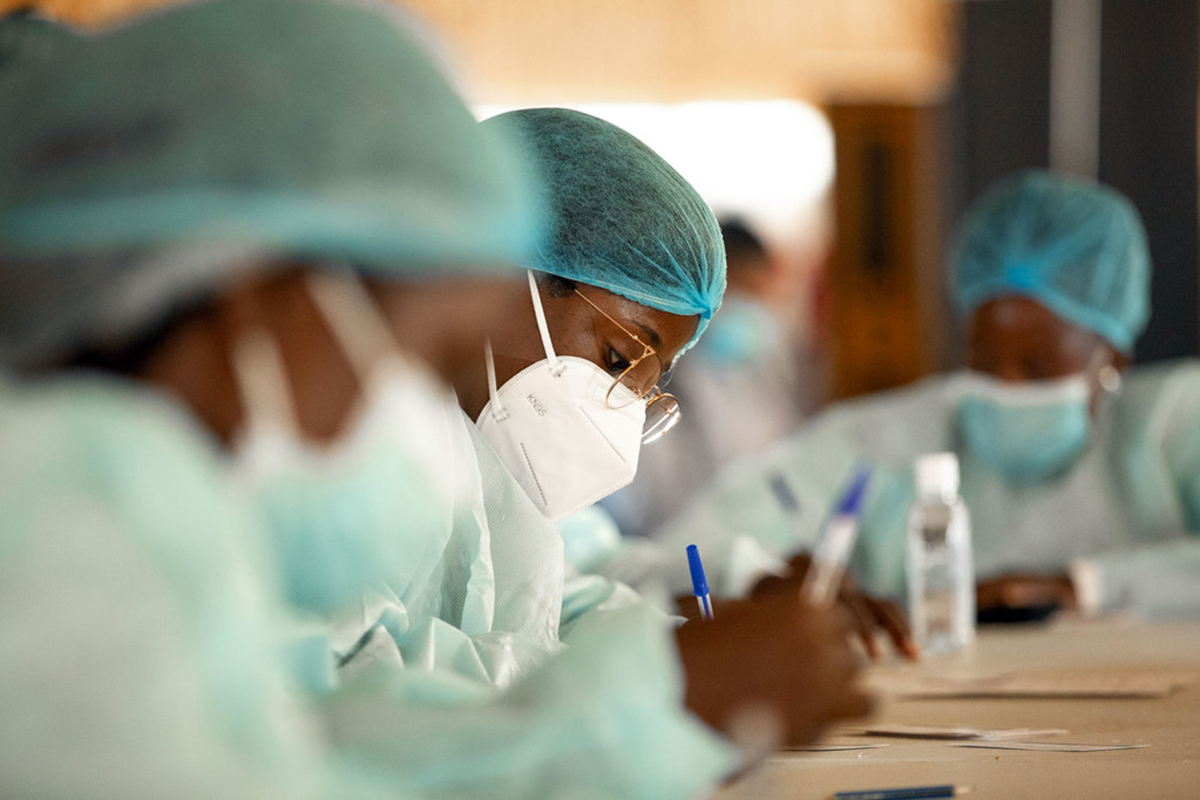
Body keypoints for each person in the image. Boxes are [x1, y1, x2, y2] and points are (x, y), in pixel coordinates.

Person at [654, 170, 1200, 620]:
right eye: (983, 362)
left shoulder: (1174, 425)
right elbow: (692, 547)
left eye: (1038, 367)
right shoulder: (884, 442)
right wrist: (756, 577)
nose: (1006, 388)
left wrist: (1086, 585)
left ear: (1114, 358)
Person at [601, 218, 814, 540]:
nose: (747, 309)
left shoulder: (765, 371)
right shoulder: (659, 383)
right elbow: (641, 508)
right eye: (737, 291)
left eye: (757, 294)